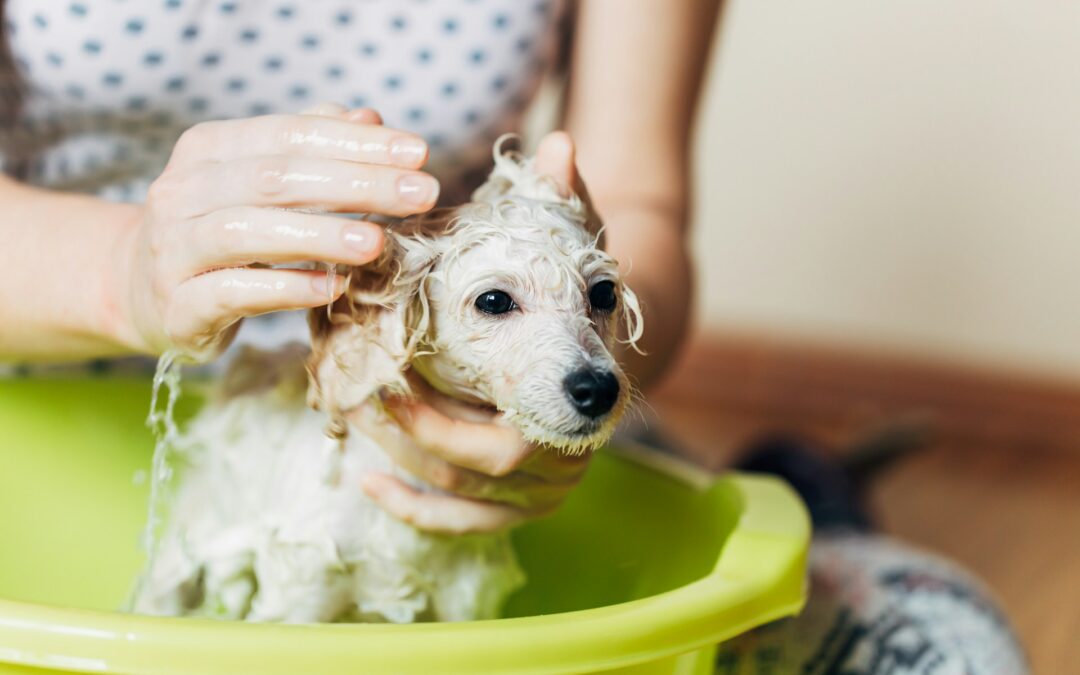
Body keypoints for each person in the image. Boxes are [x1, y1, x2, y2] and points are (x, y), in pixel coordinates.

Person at [0, 1, 1028, 672]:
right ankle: (806, 486)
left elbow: (638, 212)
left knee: (949, 652)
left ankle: (803, 501)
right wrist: (115, 269)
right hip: (40, 398)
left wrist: (539, 384)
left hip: (479, 424)